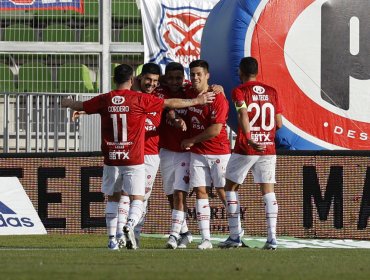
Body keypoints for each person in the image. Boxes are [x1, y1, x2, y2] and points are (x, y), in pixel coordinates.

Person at [61, 63, 215, 250]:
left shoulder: (163, 93)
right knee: (136, 197)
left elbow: (170, 104)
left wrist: (71, 104)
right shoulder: (140, 97)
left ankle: (129, 236)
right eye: (148, 80)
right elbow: (163, 104)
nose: (151, 84)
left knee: (132, 196)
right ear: (137, 79)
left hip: (148, 153)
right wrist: (196, 102)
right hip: (138, 154)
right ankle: (134, 234)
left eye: (155, 81)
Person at [218, 56, 283, 250]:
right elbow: (279, 123)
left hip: (247, 147)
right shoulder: (272, 92)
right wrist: (265, 136)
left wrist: (250, 137)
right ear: (257, 71)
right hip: (268, 148)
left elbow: (243, 114)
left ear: (240, 71)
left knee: (230, 188)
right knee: (268, 192)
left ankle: (235, 236)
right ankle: (272, 239)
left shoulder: (239, 91)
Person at [170, 59, 231, 250]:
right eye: (193, 74)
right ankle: (206, 238)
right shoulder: (188, 91)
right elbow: (174, 106)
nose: (195, 77)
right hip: (197, 153)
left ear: (207, 76)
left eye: (199, 74)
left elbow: (215, 129)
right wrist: (177, 118)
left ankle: (236, 232)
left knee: (224, 192)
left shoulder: (217, 96)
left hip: (218, 151)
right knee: (200, 191)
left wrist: (191, 140)